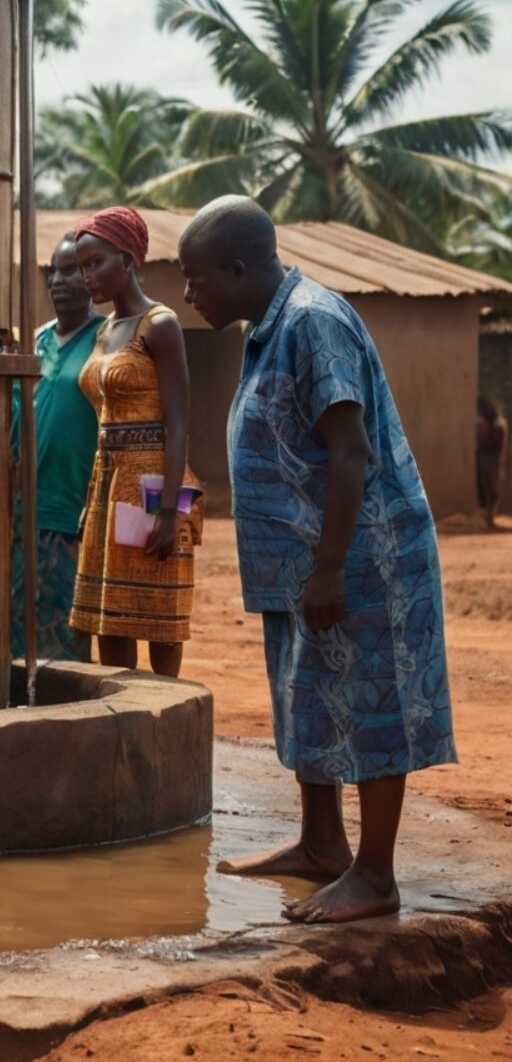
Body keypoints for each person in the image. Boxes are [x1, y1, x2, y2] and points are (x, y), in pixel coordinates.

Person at [179, 194, 457, 924]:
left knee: (373, 705)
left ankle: (376, 875)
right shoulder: (267, 329)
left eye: (196, 278)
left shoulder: (312, 322)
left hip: (363, 558)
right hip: (304, 563)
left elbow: (350, 450)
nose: (189, 294)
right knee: (309, 695)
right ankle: (321, 844)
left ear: (239, 269)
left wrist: (331, 566)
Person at [68, 206, 202, 677]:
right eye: (82, 266)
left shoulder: (159, 324)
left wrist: (168, 512)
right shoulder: (104, 330)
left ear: (129, 261)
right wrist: (91, 503)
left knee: (160, 618)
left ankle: (168, 717)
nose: (86, 276)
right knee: (112, 619)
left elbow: (179, 425)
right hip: (107, 488)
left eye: (96, 262)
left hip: (155, 487)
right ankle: (123, 718)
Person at [11, 233, 104, 661]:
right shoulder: (34, 343)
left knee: (66, 634)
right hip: (21, 513)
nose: (57, 281)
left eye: (70, 271)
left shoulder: (106, 341)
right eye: (53, 272)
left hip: (72, 511)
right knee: (17, 632)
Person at [476, 395, 507, 530]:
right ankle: (487, 518)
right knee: (486, 490)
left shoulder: (499, 425)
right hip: (484, 458)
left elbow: (498, 443)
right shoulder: (482, 423)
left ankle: (490, 517)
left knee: (494, 490)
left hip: (494, 459)